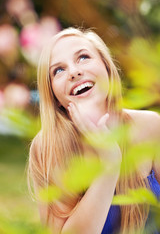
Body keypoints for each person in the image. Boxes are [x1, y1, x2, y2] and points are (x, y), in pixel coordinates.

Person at [28, 27, 160, 234]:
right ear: (54, 95)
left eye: (83, 57)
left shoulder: (150, 126)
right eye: (59, 70)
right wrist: (110, 162)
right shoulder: (47, 146)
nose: (74, 72)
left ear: (106, 67)